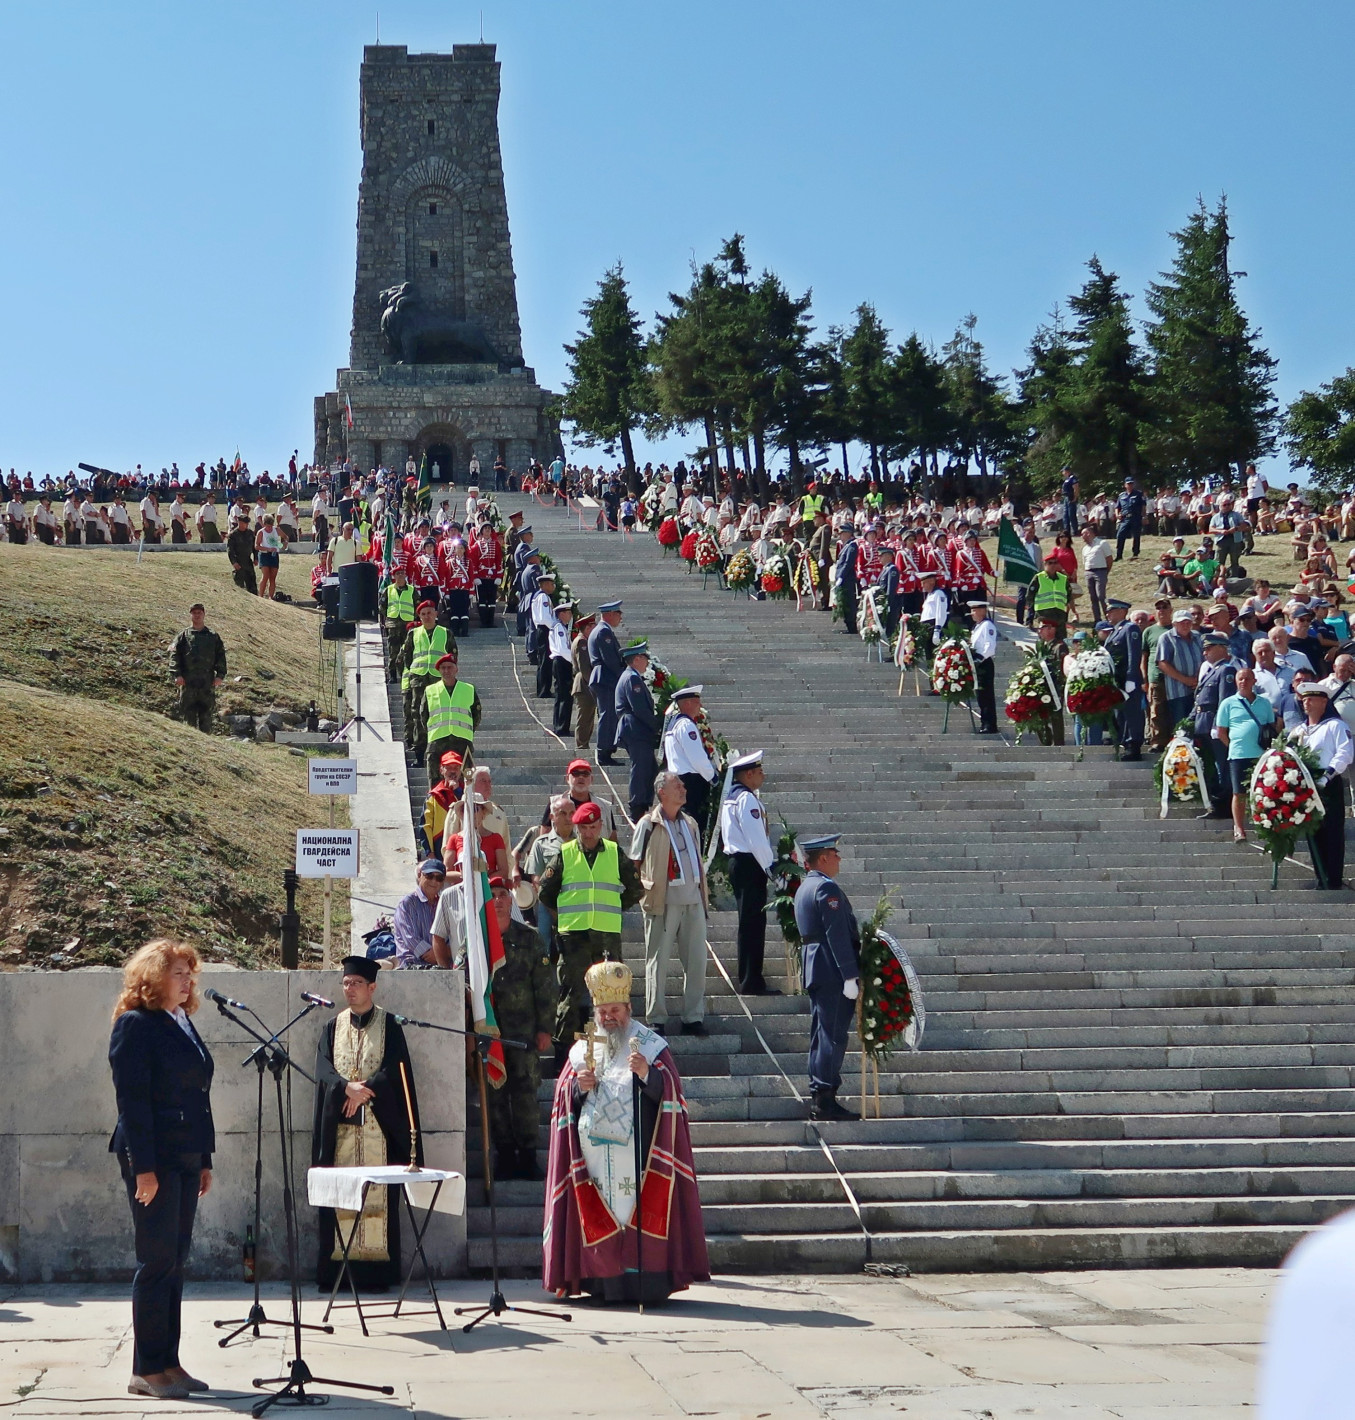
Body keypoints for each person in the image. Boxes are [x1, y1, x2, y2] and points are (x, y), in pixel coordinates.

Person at [542, 959, 710, 1302]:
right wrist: (578, 1088)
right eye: (602, 1010)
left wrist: (648, 1074)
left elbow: (672, 1093)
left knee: (635, 1214)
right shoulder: (581, 1049)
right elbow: (563, 1102)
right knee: (598, 1213)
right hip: (593, 1164)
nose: (608, 1017)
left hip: (640, 1161)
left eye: (615, 1009)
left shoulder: (650, 1045)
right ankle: (601, 1283)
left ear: (629, 1008)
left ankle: (642, 1284)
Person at [108, 940, 215, 1400]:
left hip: (187, 1156)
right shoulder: (136, 1025)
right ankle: (146, 1370)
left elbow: (197, 1095)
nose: (187, 981)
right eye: (178, 972)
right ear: (153, 976)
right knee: (156, 1261)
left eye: (190, 973)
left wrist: (205, 1159)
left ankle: (168, 1363)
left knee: (175, 1261)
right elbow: (132, 1103)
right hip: (153, 1157)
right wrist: (143, 1170)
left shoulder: (181, 1020)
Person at [312, 956, 423, 1290]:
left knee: (379, 1199)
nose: (350, 989)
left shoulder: (390, 1026)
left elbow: (396, 1068)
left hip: (378, 1127)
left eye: (357, 983)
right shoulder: (332, 1027)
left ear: (372, 987)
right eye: (346, 983)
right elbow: (322, 1068)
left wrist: (366, 1089)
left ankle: (377, 1275)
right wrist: (345, 1087)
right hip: (343, 1128)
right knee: (342, 1197)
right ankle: (339, 1274)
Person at [537, 801, 642, 1050]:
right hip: (574, 935)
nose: (588, 833)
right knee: (571, 993)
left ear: (601, 826)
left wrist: (615, 906)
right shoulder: (566, 853)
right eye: (583, 828)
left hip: (606, 933)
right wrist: (563, 915)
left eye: (593, 827)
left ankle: (615, 1047)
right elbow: (545, 892)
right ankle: (565, 1053)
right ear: (576, 828)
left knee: (612, 992)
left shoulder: (614, 853)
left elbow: (635, 889)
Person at [478, 875, 554, 1180]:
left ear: (512, 900)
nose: (498, 900)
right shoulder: (479, 939)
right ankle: (505, 1156)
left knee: (525, 1095)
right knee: (495, 1096)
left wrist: (545, 1027)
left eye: (503, 895)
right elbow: (463, 979)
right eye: (493, 895)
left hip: (524, 1033)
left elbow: (546, 986)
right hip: (489, 1034)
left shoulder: (530, 938)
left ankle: (527, 1155)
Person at [631, 772, 708, 1035]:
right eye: (678, 785)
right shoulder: (648, 824)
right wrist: (644, 893)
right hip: (662, 901)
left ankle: (693, 1016)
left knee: (697, 961)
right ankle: (657, 1017)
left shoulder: (691, 824)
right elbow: (635, 862)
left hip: (693, 901)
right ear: (662, 791)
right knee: (658, 960)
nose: (684, 789)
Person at [793, 835, 861, 1122]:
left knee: (822, 1034)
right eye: (835, 853)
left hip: (816, 966)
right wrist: (849, 975)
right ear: (823, 858)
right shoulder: (825, 889)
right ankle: (825, 1096)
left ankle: (821, 1093)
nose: (839, 858)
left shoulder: (805, 887)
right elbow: (836, 935)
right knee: (832, 1036)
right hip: (830, 969)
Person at [719, 749, 779, 995]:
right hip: (749, 862)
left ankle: (751, 977)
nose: (763, 776)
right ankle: (750, 980)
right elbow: (756, 839)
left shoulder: (733, 797)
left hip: (740, 861)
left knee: (751, 921)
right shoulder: (746, 799)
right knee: (753, 922)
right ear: (749, 774)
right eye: (760, 772)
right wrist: (770, 867)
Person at [1288, 683, 1354, 889]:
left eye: (1311, 699)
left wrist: (1327, 777)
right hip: (1305, 785)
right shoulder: (1299, 730)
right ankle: (1320, 877)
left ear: (1324, 702)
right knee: (1313, 832)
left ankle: (1333, 878)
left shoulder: (1335, 726)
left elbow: (1345, 752)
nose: (1306, 703)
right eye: (1304, 699)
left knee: (1332, 831)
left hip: (1328, 784)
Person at [1215, 667, 1276, 843]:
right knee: (1239, 792)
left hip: (1261, 755)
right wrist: (1234, 745)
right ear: (1236, 681)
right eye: (1240, 679)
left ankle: (1264, 825)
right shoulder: (1227, 703)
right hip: (1239, 755)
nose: (1244, 682)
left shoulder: (1264, 703)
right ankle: (1239, 828)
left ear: (1254, 681)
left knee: (1263, 791)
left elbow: (1271, 727)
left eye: (1247, 679)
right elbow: (1221, 732)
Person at [662, 684, 718, 834]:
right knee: (694, 824)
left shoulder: (674, 724)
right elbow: (697, 757)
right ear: (687, 703)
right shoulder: (686, 725)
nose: (700, 705)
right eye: (696, 701)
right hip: (691, 783)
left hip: (679, 779)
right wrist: (712, 776)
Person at [616, 641, 660, 819]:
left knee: (649, 767)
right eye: (644, 658)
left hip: (637, 728)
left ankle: (643, 802)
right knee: (641, 767)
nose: (647, 662)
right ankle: (637, 805)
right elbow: (640, 708)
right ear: (636, 659)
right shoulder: (632, 678)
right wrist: (656, 726)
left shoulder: (632, 676)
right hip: (635, 728)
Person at [170, 604, 227, 733]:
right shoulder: (183, 635)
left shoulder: (213, 636)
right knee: (187, 717)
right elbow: (174, 655)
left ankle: (206, 747)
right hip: (188, 681)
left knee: (206, 717)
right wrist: (176, 674)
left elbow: (221, 656)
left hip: (206, 682)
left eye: (199, 612)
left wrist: (220, 676)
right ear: (191, 615)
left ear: (204, 614)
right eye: (194, 612)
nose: (197, 615)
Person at [424, 650, 480, 774]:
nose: (446, 671)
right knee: (435, 781)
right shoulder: (430, 690)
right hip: (437, 741)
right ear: (439, 671)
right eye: (443, 668)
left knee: (465, 781)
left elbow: (476, 715)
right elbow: (423, 716)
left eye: (450, 667)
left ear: (456, 669)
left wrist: (467, 730)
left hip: (462, 741)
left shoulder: (468, 689)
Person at [1103, 598, 1144, 759]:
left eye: (1111, 611)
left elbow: (1134, 655)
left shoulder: (1130, 628)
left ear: (1122, 611)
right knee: (1121, 712)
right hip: (1117, 679)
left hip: (1127, 678)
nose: (1108, 614)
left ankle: (1133, 744)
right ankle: (1122, 739)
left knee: (1132, 712)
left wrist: (1131, 676)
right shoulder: (1114, 631)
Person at [588, 600, 625, 764]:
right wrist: (624, 676)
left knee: (609, 714)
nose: (620, 618)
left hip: (604, 677)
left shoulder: (603, 630)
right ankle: (603, 751)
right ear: (609, 614)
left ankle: (607, 749)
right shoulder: (603, 632)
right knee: (608, 715)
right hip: (605, 678)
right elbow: (610, 659)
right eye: (618, 614)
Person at [392, 858, 447, 967]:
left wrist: (442, 953)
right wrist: (434, 953)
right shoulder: (407, 903)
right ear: (420, 875)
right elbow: (409, 937)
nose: (434, 881)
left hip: (439, 965)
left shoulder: (444, 904)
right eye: (429, 876)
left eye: (439, 878)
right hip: (412, 965)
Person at [969, 600, 998, 733]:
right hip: (977, 663)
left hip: (984, 663)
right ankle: (984, 722)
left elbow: (989, 646)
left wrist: (979, 658)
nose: (972, 613)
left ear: (982, 611)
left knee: (986, 694)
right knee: (980, 695)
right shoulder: (977, 627)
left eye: (974, 610)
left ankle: (990, 724)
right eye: (971, 610)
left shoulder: (987, 626)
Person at [383, 564, 416, 680]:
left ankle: (405, 675)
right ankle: (392, 675)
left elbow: (417, 606)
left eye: (402, 573)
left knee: (407, 651)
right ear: (394, 576)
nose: (401, 575)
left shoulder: (412, 590)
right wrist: (386, 620)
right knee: (393, 651)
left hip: (408, 625)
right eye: (398, 574)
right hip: (393, 625)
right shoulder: (389, 590)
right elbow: (382, 606)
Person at [571, 611, 597, 751]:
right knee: (584, 717)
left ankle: (584, 743)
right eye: (593, 626)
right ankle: (581, 744)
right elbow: (585, 667)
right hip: (584, 683)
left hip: (585, 682)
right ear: (587, 628)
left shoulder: (584, 641)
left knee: (588, 717)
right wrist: (594, 683)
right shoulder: (582, 642)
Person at [226, 511, 257, 595]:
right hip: (238, 562)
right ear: (239, 522)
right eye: (244, 523)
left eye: (246, 523)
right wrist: (234, 562)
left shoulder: (250, 534)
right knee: (240, 588)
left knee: (252, 586)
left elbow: (254, 547)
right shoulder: (233, 535)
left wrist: (256, 558)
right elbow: (230, 550)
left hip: (248, 561)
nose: (245, 525)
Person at [1114, 478, 1146, 559]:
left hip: (1135, 517)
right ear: (1125, 485)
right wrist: (1117, 515)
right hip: (1125, 519)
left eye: (1131, 483)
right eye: (1128, 484)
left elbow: (1143, 506)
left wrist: (1144, 516)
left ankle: (1135, 554)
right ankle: (1119, 555)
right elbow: (1117, 507)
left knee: (1136, 536)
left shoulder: (1138, 494)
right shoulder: (1121, 496)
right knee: (1120, 535)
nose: (1130, 485)